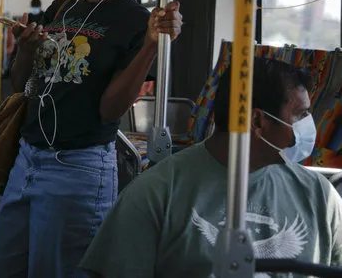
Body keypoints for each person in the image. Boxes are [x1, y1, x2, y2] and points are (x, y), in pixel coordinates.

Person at [0, 0, 183, 278]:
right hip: (27, 158)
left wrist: (151, 46)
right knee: (2, 267)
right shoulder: (61, 9)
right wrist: (26, 50)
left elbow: (110, 110)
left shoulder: (137, 21)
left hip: (78, 167)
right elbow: (23, 87)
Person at [80, 57, 342, 278]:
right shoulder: (156, 195)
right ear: (257, 120)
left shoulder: (320, 196)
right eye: (300, 115)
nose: (309, 127)